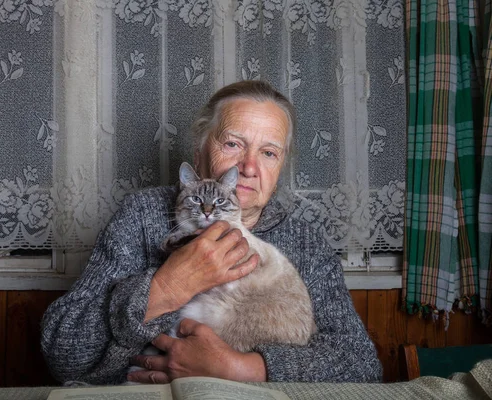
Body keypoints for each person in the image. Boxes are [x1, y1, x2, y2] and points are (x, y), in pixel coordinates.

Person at [41, 80, 382, 385]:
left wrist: (240, 368)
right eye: (233, 144)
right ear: (199, 155)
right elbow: (64, 352)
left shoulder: (306, 243)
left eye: (268, 153)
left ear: (279, 168)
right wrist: (168, 286)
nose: (248, 167)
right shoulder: (143, 215)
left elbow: (361, 364)